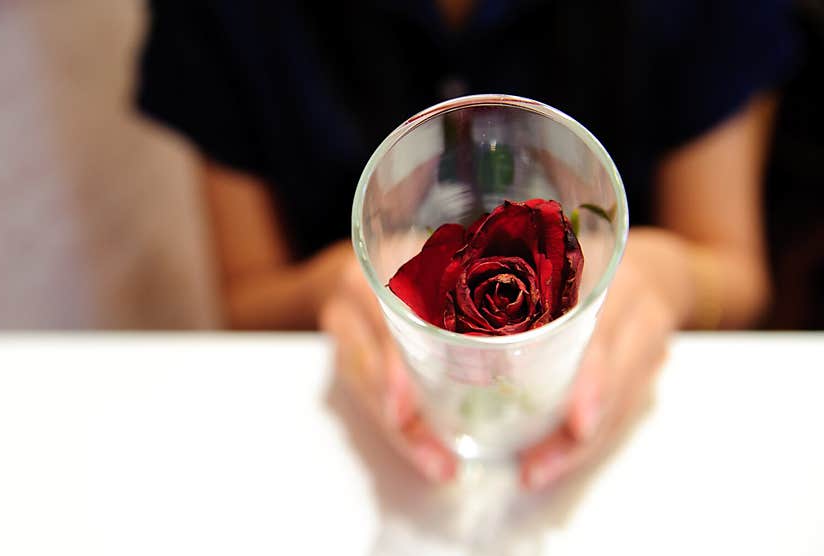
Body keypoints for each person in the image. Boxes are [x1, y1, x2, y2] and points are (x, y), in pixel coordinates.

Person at [137, 0, 798, 488]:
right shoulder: (228, 17)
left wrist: (673, 277)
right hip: (381, 458)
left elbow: (738, 273)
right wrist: (327, 286)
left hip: (609, 461)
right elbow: (245, 298)